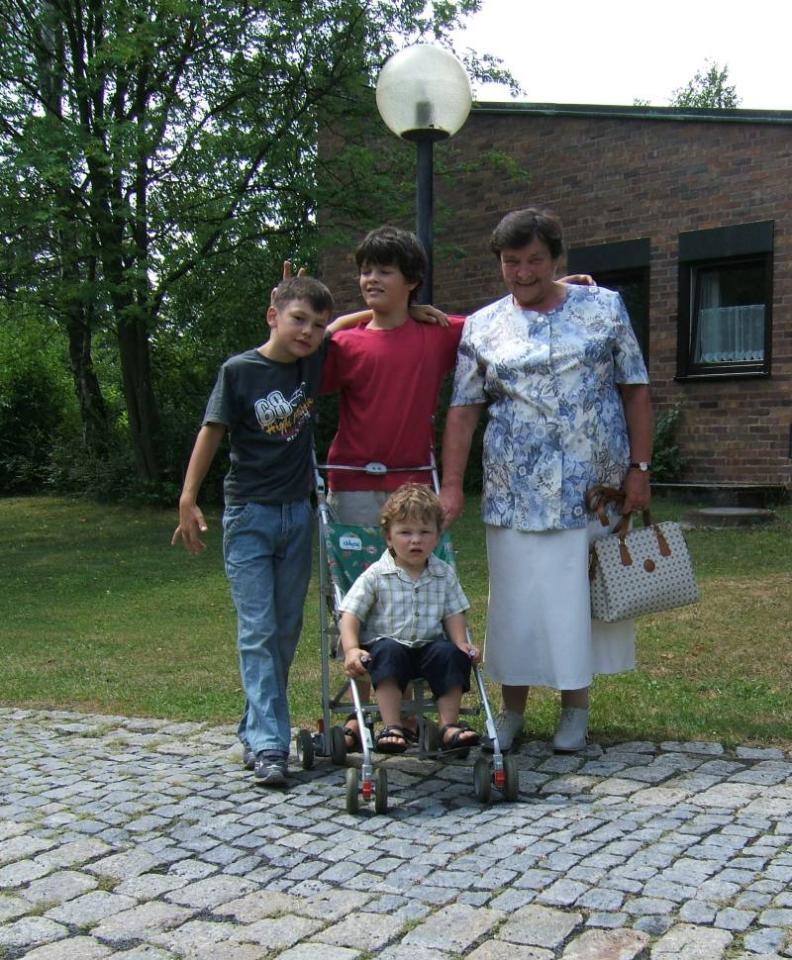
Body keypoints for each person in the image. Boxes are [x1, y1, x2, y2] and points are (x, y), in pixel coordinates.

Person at [321, 224, 593, 751]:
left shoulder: (437, 333)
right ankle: (366, 709)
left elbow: (509, 312)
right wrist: (342, 320)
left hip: (413, 489)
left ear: (412, 281)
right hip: (351, 482)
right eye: (365, 271)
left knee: (419, 586)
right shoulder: (346, 343)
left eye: (384, 271)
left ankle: (423, 709)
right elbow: (302, 351)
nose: (371, 279)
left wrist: (565, 287)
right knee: (359, 594)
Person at [439, 207, 653, 754]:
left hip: (592, 488)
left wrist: (640, 469)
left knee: (574, 602)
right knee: (517, 604)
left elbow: (635, 388)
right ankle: (512, 711)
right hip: (515, 491)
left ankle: (574, 708)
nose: (523, 272)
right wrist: (452, 484)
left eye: (535, 260)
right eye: (512, 262)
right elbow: (463, 410)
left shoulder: (604, 307)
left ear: (556, 258)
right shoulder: (483, 325)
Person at [171, 275, 338, 788]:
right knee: (258, 630)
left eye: (317, 325)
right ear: (272, 316)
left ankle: (254, 727)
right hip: (249, 516)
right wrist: (188, 498)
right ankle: (270, 745)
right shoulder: (239, 370)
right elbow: (211, 430)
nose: (308, 331)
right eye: (298, 320)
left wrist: (415, 310)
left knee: (284, 632)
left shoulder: (312, 362)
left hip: (297, 516)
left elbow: (356, 324)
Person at [339, 484, 481, 753]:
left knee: (451, 654)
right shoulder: (376, 575)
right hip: (388, 647)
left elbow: (453, 612)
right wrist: (351, 649)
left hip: (429, 648)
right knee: (387, 652)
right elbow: (350, 614)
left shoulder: (443, 573)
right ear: (388, 537)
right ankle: (393, 725)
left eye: (425, 532)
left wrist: (461, 642)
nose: (416, 540)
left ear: (437, 537)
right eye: (405, 532)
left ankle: (448, 726)